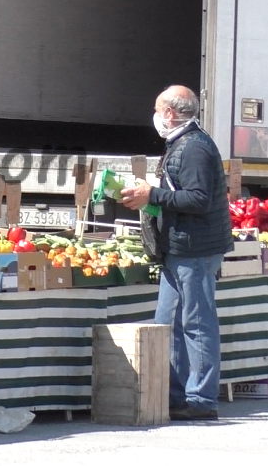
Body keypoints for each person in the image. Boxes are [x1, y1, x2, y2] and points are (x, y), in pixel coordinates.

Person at [120, 85, 232, 421]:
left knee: (195, 323)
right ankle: (175, 394)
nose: (155, 116)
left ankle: (201, 399)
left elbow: (198, 199)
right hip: (179, 248)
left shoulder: (194, 147)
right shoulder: (182, 143)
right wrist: (149, 196)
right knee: (167, 323)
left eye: (158, 110)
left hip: (195, 249)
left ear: (169, 113)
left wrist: (152, 195)